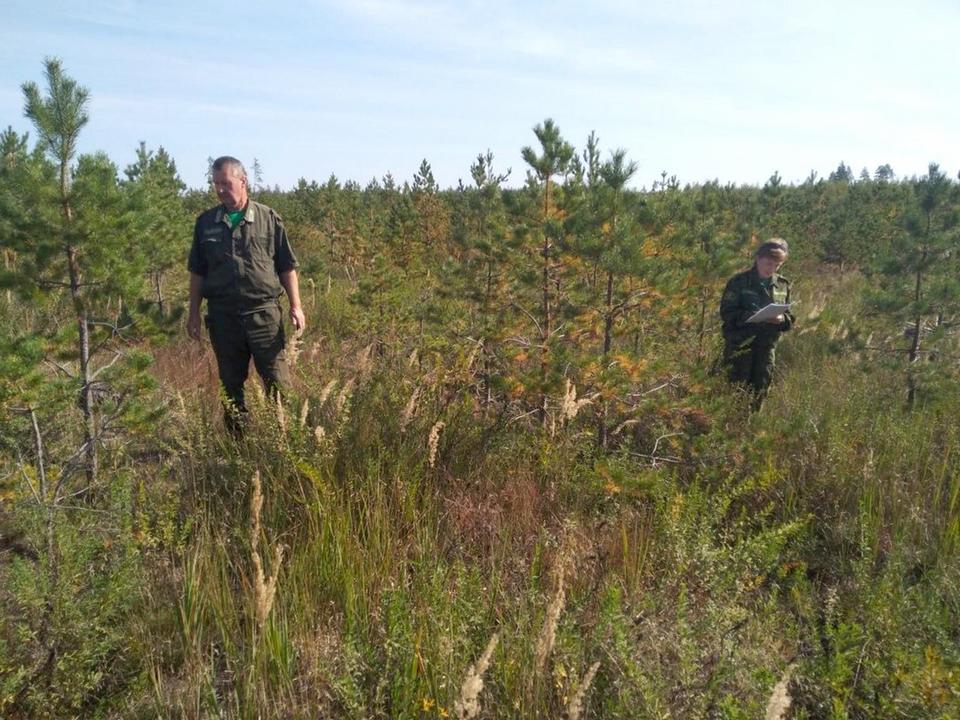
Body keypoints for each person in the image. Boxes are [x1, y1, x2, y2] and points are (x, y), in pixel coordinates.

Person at [187, 156, 305, 432]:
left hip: (263, 316)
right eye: (215, 184)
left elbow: (287, 267)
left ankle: (286, 443)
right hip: (223, 317)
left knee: (277, 383)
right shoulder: (206, 223)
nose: (219, 190)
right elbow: (197, 272)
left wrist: (296, 306)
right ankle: (239, 447)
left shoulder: (267, 218)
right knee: (231, 386)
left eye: (226, 184)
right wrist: (193, 313)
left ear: (243, 182)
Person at [719, 239, 794, 407]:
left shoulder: (782, 285)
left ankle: (748, 428)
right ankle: (730, 428)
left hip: (766, 347)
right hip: (741, 346)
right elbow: (727, 313)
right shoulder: (739, 282)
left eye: (777, 265)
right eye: (769, 263)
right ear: (758, 258)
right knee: (734, 391)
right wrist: (754, 316)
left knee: (760, 392)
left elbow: (789, 318)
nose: (772, 269)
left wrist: (782, 319)